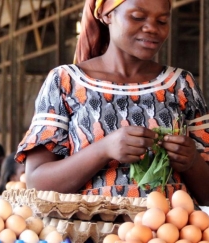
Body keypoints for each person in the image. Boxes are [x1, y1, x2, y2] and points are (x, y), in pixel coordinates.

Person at [15, 0, 209, 206]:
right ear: (106, 15)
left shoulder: (181, 84)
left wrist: (192, 162)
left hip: (167, 234)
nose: (152, 28)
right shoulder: (65, 81)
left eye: (162, 21)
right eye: (137, 17)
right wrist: (103, 150)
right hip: (91, 234)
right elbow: (36, 183)